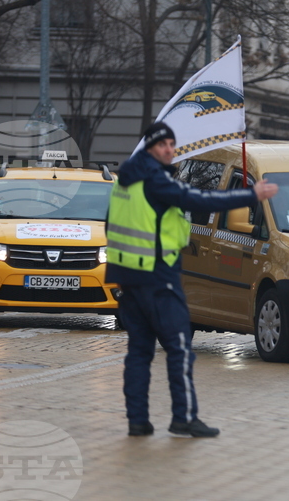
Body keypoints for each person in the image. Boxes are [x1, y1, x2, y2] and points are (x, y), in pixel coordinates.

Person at [106, 122, 278, 438]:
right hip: (158, 276)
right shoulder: (154, 180)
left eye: (172, 144)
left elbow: (111, 226)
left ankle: (137, 420)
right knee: (180, 348)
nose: (170, 150)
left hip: (128, 277)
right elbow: (199, 200)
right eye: (163, 145)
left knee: (140, 351)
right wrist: (250, 193)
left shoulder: (125, 181)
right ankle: (183, 418)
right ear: (150, 149)